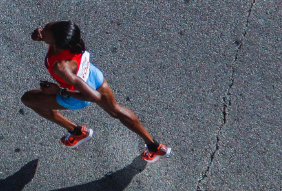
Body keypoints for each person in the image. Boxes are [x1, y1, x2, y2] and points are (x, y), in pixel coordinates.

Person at [21, 21, 171, 163]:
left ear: (57, 43)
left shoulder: (61, 68)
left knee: (28, 99)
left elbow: (94, 96)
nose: (40, 30)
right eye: (44, 28)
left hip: (78, 95)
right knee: (116, 110)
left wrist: (59, 90)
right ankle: (154, 146)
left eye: (44, 32)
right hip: (93, 76)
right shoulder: (69, 39)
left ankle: (78, 132)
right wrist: (43, 38)